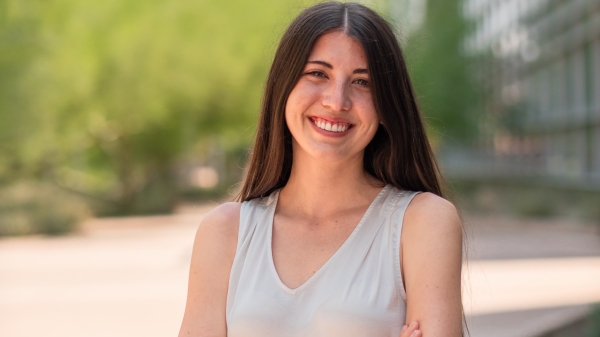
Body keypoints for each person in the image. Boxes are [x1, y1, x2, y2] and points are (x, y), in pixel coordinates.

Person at [178, 2, 463, 336]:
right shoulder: (225, 232)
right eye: (318, 74)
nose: (336, 100)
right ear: (283, 88)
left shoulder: (423, 223)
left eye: (362, 82)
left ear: (387, 106)